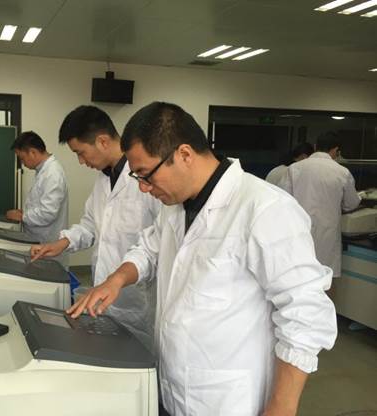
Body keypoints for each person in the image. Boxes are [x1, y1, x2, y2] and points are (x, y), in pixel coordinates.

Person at [68, 102, 337, 416]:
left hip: (226, 400)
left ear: (184, 154)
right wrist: (117, 280)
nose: (142, 188)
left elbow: (304, 314)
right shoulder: (175, 207)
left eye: (146, 175)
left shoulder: (265, 209)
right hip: (172, 386)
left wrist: (281, 407)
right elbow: (148, 248)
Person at [30, 105, 161, 350]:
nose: (81, 161)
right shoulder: (104, 179)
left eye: (81, 153)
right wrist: (63, 243)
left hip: (137, 301)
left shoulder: (146, 181)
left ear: (102, 141)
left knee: (137, 358)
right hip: (103, 295)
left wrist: (119, 278)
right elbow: (91, 224)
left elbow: (158, 243)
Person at [279, 132, 360, 282]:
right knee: (323, 280)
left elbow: (282, 200)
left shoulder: (295, 168)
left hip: (298, 232)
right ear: (336, 150)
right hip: (326, 236)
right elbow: (351, 203)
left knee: (296, 279)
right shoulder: (342, 172)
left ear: (316, 146)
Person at [5, 131, 68, 244]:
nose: (22, 163)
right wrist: (25, 212)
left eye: (22, 158)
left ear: (32, 152)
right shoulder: (44, 171)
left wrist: (23, 216)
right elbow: (41, 203)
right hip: (39, 239)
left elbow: (48, 213)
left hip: (46, 242)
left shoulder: (53, 174)